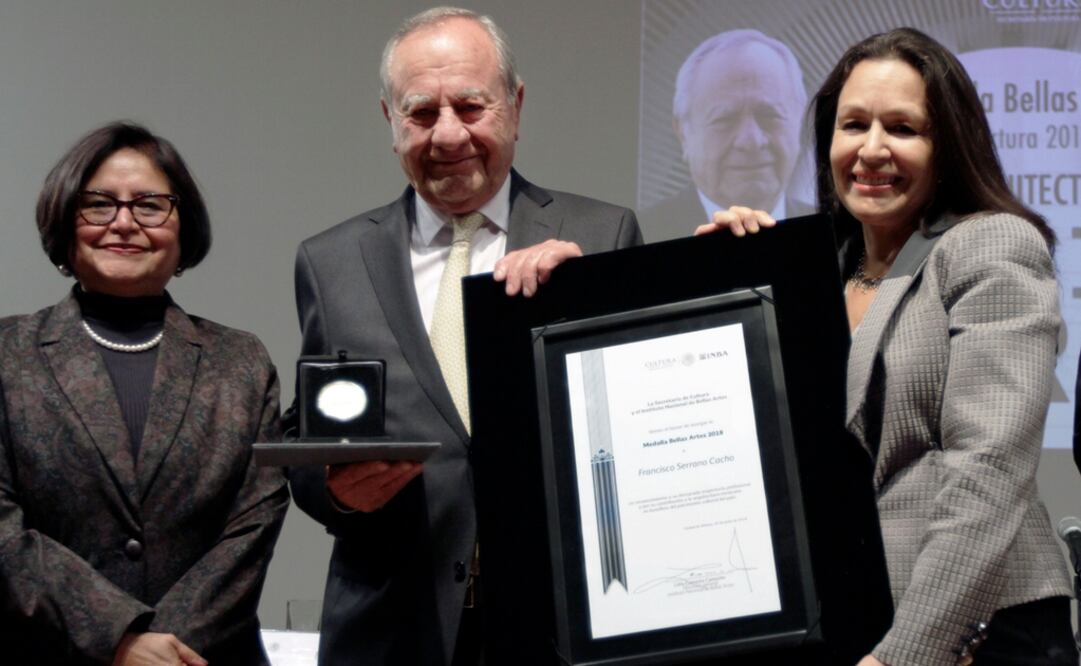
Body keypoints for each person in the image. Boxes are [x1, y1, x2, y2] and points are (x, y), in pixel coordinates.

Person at [698, 28, 1075, 666]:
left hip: (975, 631)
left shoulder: (990, 245)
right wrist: (720, 279)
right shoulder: (816, 272)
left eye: (903, 128)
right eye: (854, 125)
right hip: (848, 620)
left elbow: (989, 468)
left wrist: (907, 653)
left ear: (948, 145)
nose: (872, 150)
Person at [286, 6, 642, 665]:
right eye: (422, 113)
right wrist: (331, 488)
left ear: (515, 104)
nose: (448, 135)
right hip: (392, 631)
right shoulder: (330, 262)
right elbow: (309, 429)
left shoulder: (599, 236)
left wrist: (587, 294)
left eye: (471, 106)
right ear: (390, 122)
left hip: (555, 624)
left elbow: (637, 422)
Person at [0, 122, 289, 665]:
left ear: (183, 228)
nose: (125, 223)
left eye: (150, 205)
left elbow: (255, 521)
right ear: (66, 223)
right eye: (99, 205)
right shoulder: (7, 353)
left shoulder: (241, 362)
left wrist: (165, 649)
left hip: (203, 657)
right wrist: (117, 637)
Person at [642, 29, 813, 233]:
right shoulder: (640, 235)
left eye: (769, 115)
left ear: (799, 121)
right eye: (725, 119)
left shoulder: (838, 237)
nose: (751, 141)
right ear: (683, 133)